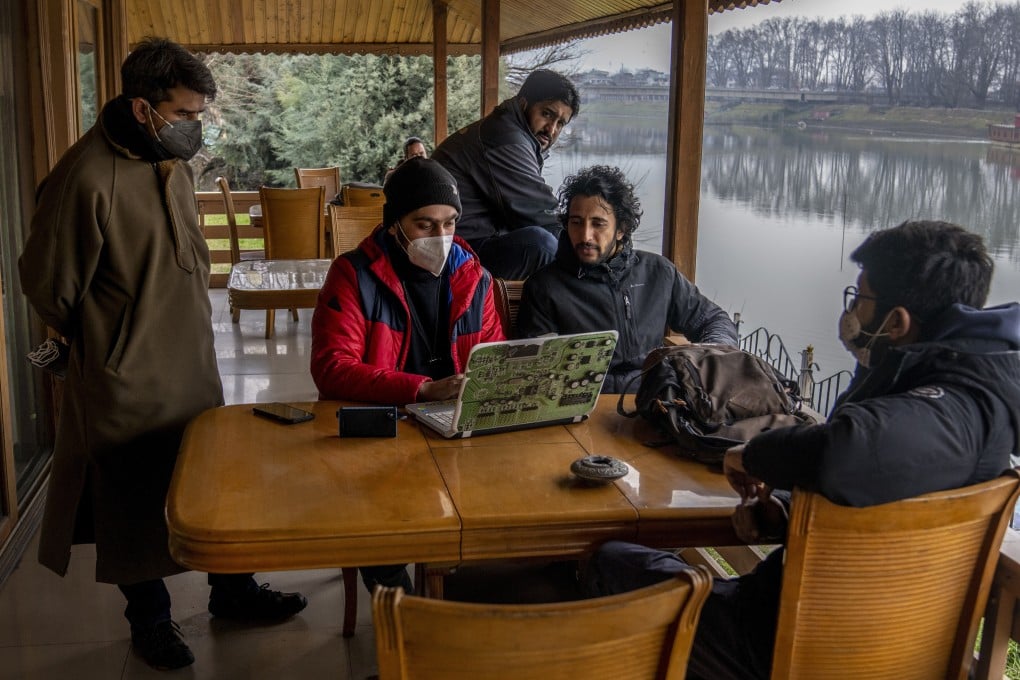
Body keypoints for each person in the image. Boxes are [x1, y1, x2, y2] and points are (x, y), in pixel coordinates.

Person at [581, 220, 1020, 680]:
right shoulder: (965, 384)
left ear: (897, 322)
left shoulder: (959, 410)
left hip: (786, 646)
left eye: (860, 300)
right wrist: (789, 513)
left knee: (610, 562)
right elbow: (882, 491)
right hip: (877, 640)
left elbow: (844, 452)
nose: (852, 313)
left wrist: (752, 456)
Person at [18, 38, 307, 671]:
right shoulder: (83, 179)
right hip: (126, 379)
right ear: (142, 106)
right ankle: (148, 621)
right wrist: (112, 338)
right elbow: (47, 287)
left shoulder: (169, 162)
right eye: (185, 114)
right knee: (133, 499)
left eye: (201, 114)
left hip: (191, 367)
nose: (195, 128)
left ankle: (232, 589)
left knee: (213, 484)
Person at [310, 157, 505, 592]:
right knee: (379, 525)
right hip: (383, 425)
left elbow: (491, 356)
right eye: (425, 225)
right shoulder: (352, 276)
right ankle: (401, 606)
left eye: (450, 223)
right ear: (394, 224)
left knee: (504, 503)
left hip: (453, 427)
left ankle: (464, 597)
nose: (442, 237)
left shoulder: (475, 277)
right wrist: (422, 388)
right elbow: (331, 369)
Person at [516, 165, 738, 393]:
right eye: (576, 222)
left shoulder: (658, 272)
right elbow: (536, 372)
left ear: (621, 229)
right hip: (586, 405)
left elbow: (713, 320)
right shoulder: (545, 287)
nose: (585, 235)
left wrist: (708, 354)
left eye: (598, 224)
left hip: (656, 399)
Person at [431, 69, 580, 279]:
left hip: (464, 245)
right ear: (523, 103)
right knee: (543, 246)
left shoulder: (510, 131)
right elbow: (539, 212)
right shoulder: (505, 138)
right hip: (453, 254)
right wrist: (586, 245)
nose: (551, 129)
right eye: (547, 114)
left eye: (561, 123)